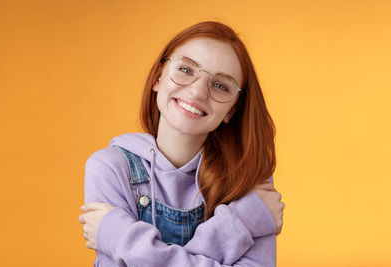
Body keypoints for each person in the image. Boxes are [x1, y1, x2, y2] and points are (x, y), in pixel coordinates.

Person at [78, 21, 285, 267]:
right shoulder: (110, 168)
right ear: (157, 77)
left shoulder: (247, 173)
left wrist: (121, 238)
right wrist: (241, 222)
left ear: (232, 110)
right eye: (186, 70)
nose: (198, 92)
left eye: (220, 86)